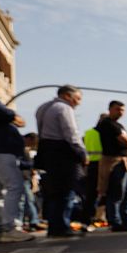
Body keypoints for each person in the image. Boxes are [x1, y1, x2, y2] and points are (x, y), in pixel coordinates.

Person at [35, 85, 87, 237]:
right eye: (77, 98)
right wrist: (82, 152)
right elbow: (71, 133)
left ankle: (54, 226)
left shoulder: (43, 107)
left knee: (53, 192)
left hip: (47, 151)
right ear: (66, 96)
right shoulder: (64, 108)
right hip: (63, 152)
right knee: (67, 190)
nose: (78, 103)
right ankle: (62, 226)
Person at [0, 69, 33, 242]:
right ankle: (10, 227)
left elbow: (12, 117)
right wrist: (10, 115)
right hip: (1, 151)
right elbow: (9, 115)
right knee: (14, 187)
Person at [97, 100, 127, 231]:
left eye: (122, 110)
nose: (120, 112)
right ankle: (115, 221)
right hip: (114, 162)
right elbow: (126, 141)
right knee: (116, 193)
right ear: (110, 109)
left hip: (125, 162)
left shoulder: (119, 125)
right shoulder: (107, 124)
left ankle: (126, 219)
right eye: (117, 109)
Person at [81, 113, 105, 226]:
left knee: (91, 194)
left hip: (90, 165)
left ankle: (87, 219)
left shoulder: (88, 133)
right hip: (104, 164)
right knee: (107, 193)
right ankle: (102, 217)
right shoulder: (106, 133)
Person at [20, 133, 43, 232]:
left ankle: (28, 221)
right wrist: (32, 164)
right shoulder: (21, 148)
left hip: (25, 177)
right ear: (28, 139)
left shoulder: (24, 148)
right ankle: (33, 221)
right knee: (28, 200)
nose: (31, 145)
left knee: (26, 200)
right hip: (22, 177)